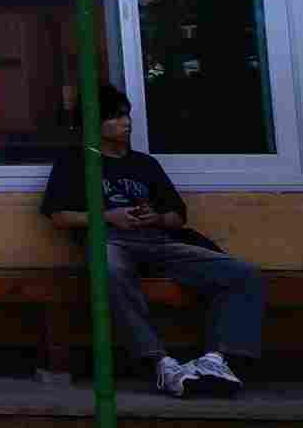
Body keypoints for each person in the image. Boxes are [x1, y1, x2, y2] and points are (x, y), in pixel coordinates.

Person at [41, 84, 267, 399]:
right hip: (112, 241)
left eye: (126, 115)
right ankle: (159, 362)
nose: (126, 123)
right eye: (116, 118)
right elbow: (58, 216)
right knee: (110, 272)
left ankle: (217, 360)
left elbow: (177, 215)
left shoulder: (144, 164)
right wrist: (109, 216)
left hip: (158, 240)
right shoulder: (74, 162)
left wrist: (156, 217)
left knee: (244, 273)